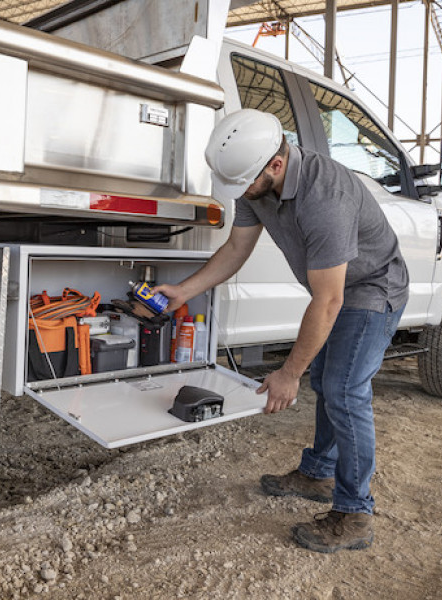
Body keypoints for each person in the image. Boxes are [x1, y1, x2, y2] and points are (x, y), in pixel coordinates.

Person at [153, 109, 409, 553]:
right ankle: (317, 474)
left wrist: (287, 372)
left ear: (276, 165)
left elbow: (328, 300)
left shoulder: (325, 198)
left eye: (245, 185)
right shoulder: (254, 181)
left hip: (373, 288)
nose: (242, 194)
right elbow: (236, 248)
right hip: (337, 289)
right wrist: (183, 290)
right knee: (328, 383)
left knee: (344, 389)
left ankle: (355, 514)